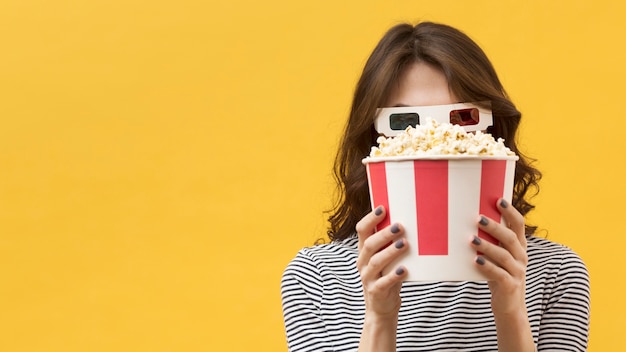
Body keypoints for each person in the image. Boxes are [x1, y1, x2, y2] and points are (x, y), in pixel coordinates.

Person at [281, 21, 590, 352]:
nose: (434, 143)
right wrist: (379, 319)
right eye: (404, 122)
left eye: (462, 118)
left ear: (493, 132)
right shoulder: (316, 278)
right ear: (373, 140)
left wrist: (510, 310)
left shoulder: (555, 272)